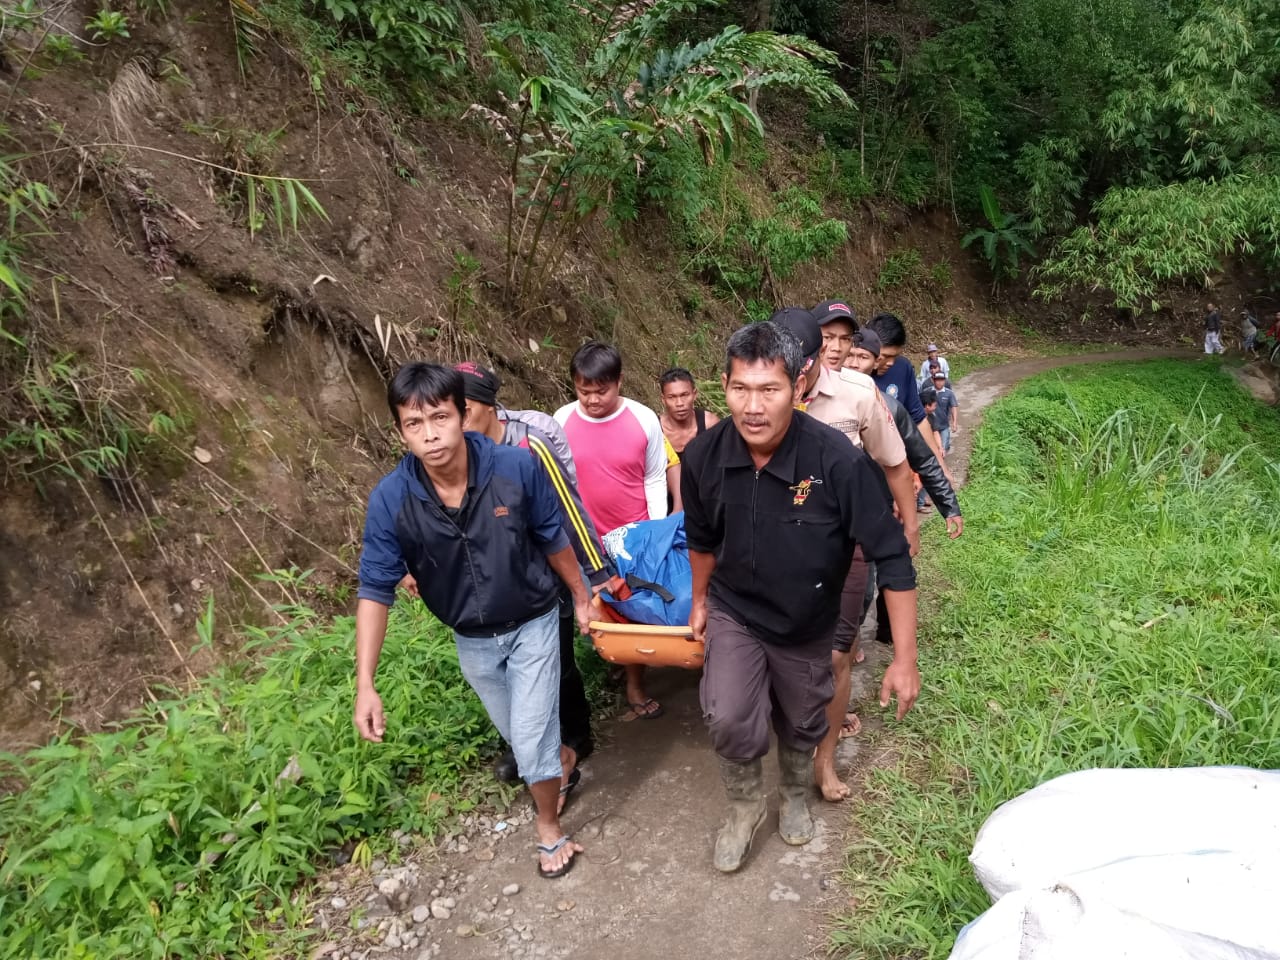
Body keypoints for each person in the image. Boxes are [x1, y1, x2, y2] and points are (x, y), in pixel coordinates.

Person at [681, 321, 921, 873]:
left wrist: (904, 659)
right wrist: (699, 601)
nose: (754, 406)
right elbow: (701, 540)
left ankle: (791, 793)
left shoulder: (837, 461)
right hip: (736, 610)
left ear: (799, 386)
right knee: (728, 714)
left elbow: (892, 556)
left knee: (802, 717)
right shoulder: (704, 458)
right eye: (741, 389)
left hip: (809, 618)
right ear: (724, 385)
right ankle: (744, 808)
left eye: (770, 390)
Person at [354, 363, 591, 879]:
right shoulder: (392, 500)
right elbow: (374, 589)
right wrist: (365, 684)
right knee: (526, 738)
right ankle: (563, 757)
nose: (431, 434)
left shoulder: (515, 469)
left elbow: (554, 537)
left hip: (534, 620)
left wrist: (582, 595)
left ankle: (548, 826)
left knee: (528, 741)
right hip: (472, 639)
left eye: (440, 417)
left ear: (464, 415)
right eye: (414, 424)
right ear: (400, 431)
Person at [432, 362, 614, 784]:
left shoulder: (531, 443)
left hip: (550, 569)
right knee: (506, 672)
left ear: (491, 407)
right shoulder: (457, 456)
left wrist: (595, 572)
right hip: (499, 579)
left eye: (465, 409)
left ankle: (574, 735)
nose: (455, 422)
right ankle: (537, 749)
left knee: (558, 664)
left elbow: (567, 510)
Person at [773, 305, 918, 802]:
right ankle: (791, 739)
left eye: (806, 363)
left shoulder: (857, 394)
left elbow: (896, 463)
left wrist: (908, 529)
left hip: (846, 547)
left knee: (836, 656)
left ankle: (825, 759)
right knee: (784, 654)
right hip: (779, 550)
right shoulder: (761, 394)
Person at [555, 341, 669, 720]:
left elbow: (654, 477)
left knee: (630, 610)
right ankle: (614, 662)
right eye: (583, 391)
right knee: (595, 611)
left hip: (631, 539)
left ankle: (635, 683)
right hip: (583, 543)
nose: (591, 400)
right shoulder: (561, 421)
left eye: (600, 390)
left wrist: (652, 533)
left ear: (619, 381)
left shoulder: (643, 419)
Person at [848, 329, 963, 539]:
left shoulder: (886, 406)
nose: (854, 364)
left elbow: (921, 455)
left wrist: (949, 506)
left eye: (863, 357)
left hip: (877, 505)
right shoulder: (810, 402)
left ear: (875, 362)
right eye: (849, 355)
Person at [866, 312, 945, 461]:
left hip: (896, 458)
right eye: (885, 356)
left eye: (895, 356)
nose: (891, 363)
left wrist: (940, 465)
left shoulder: (903, 368)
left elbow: (918, 418)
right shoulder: (852, 372)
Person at [658, 368, 720, 454]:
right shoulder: (655, 429)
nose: (679, 403)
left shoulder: (710, 424)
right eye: (671, 397)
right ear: (663, 399)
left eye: (684, 395)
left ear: (694, 394)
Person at [813, 298, 857, 372]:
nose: (837, 348)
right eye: (828, 337)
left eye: (845, 339)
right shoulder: (792, 380)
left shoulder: (861, 382)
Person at [929, 371, 959, 453]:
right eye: (937, 380)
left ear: (945, 380)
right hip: (931, 426)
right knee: (932, 448)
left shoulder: (949, 393)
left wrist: (954, 423)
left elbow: (954, 407)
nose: (939, 382)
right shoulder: (927, 392)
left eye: (941, 380)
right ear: (933, 380)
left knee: (943, 448)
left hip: (943, 425)